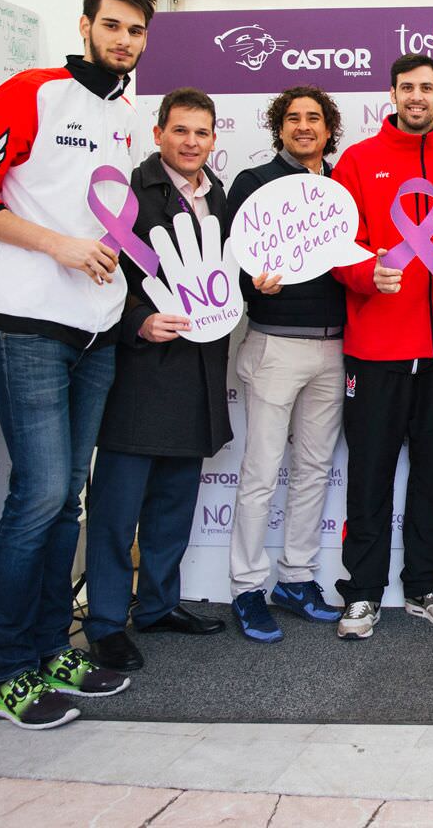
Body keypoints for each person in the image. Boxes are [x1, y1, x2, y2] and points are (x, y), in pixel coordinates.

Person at [0, 0, 149, 729]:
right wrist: (54, 245)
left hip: (96, 332)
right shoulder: (33, 91)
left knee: (68, 503)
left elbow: (110, 219)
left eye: (136, 31)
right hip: (26, 323)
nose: (124, 41)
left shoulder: (125, 114)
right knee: (38, 496)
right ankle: (10, 672)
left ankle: (52, 649)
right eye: (113, 26)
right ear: (86, 25)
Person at [83, 89, 279, 671]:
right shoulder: (130, 193)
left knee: (173, 503)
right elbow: (99, 277)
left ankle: (157, 605)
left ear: (214, 139)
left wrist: (252, 286)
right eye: (181, 131)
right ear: (159, 133)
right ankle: (103, 622)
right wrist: (139, 322)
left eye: (202, 133)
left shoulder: (216, 196)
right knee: (118, 510)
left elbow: (216, 281)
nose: (192, 142)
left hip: (198, 371)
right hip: (141, 374)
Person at [331, 54, 433, 639]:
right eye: (407, 88)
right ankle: (362, 593)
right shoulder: (357, 160)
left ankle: (424, 582)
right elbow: (337, 243)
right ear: (393, 93)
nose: (417, 97)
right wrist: (362, 274)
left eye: (427, 88)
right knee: (370, 474)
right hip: (375, 348)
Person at [224, 86, 347, 643]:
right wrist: (251, 285)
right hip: (274, 344)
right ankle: (247, 587)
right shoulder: (252, 185)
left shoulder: (343, 186)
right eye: (293, 118)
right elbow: (225, 266)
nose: (303, 126)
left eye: (313, 118)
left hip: (335, 346)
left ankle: (296, 579)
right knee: (260, 471)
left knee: (315, 469)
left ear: (328, 128)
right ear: (279, 128)